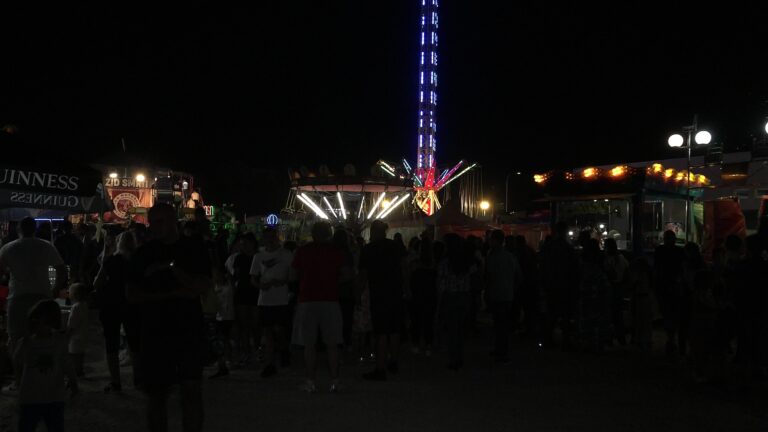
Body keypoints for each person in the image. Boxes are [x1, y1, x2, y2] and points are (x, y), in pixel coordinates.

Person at [126, 203, 211, 432]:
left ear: (173, 220)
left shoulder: (193, 248)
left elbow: (201, 286)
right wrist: (174, 293)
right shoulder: (144, 253)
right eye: (152, 222)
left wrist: (171, 268)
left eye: (160, 222)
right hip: (155, 331)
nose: (155, 227)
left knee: (191, 390)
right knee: (157, 394)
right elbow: (131, 294)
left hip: (187, 329)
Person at [0, 217, 67, 393]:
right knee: (44, 337)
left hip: (18, 298)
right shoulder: (46, 246)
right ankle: (44, 377)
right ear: (34, 229)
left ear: (19, 229)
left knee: (16, 340)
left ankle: (19, 381)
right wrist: (54, 289)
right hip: (42, 297)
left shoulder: (8, 248)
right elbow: (61, 270)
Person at [291, 221, 345, 393]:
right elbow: (346, 274)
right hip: (330, 299)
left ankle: (310, 381)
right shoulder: (335, 251)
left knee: (309, 344)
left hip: (308, 299)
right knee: (332, 343)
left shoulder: (303, 251)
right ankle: (335, 380)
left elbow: (293, 275)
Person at [14, 300, 78, 432]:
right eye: (34, 321)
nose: (37, 325)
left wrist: (73, 381)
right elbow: (17, 360)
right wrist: (24, 341)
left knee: (55, 427)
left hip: (54, 397)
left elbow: (66, 363)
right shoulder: (27, 342)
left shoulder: (59, 341)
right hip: (30, 397)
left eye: (41, 321)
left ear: (51, 322)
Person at [359, 221, 407, 380]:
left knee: (381, 331)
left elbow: (363, 274)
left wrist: (359, 292)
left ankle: (380, 368)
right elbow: (404, 267)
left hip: (378, 293)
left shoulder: (368, 249)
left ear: (373, 232)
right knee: (394, 329)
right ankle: (394, 361)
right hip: (395, 292)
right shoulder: (395, 247)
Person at [94, 230, 140, 392]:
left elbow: (97, 283)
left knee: (111, 343)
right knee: (135, 343)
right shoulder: (137, 261)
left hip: (111, 304)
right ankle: (138, 379)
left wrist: (105, 260)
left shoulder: (112, 261)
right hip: (132, 304)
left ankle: (116, 381)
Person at [250, 227, 293, 378]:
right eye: (267, 237)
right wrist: (260, 286)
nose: (269, 240)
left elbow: (293, 275)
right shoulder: (259, 256)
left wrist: (281, 281)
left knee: (279, 330)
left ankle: (283, 351)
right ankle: (270, 363)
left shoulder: (286, 254)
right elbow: (253, 277)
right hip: (265, 299)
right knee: (267, 331)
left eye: (272, 237)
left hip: (281, 299)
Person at [437, 234, 475, 370]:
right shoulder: (466, 261)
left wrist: (439, 301)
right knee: (460, 328)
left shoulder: (445, 263)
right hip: (464, 296)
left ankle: (454, 358)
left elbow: (441, 285)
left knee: (452, 329)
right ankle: (459, 356)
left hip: (451, 297)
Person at [539, 221, 579, 350]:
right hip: (564, 285)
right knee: (565, 314)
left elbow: (543, 265)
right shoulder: (567, 247)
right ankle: (565, 340)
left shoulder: (549, 246)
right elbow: (574, 267)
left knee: (552, 313)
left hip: (551, 284)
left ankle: (548, 339)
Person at [485, 230, 521, 363]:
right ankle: (501, 349)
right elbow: (519, 276)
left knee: (499, 324)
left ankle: (501, 350)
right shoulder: (510, 257)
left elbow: (488, 276)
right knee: (502, 323)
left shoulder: (492, 256)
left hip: (497, 293)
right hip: (507, 294)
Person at [653, 230, 685, 356]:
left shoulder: (660, 251)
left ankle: (670, 339)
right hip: (673, 286)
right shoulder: (679, 251)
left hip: (664, 286)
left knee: (667, 313)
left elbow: (656, 268)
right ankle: (672, 339)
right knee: (673, 313)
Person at [233, 233, 259, 365]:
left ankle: (256, 349)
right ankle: (247, 351)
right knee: (244, 325)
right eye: (242, 244)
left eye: (245, 243)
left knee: (256, 324)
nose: (243, 246)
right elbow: (236, 275)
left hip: (255, 291)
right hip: (243, 291)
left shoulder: (258, 256)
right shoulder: (239, 258)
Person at [408, 236, 437, 356]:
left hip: (418, 295)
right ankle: (428, 345)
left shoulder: (415, 264)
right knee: (428, 321)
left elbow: (410, 279)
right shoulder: (434, 264)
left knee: (417, 320)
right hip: (429, 295)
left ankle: (416, 344)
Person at [603, 238, 629, 346]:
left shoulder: (608, 259)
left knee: (609, 315)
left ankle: (609, 339)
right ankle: (621, 339)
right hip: (619, 287)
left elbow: (610, 274)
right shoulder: (622, 258)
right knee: (618, 315)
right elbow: (626, 271)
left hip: (611, 288)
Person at [210, 265, 235, 379]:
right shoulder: (214, 286)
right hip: (218, 316)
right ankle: (223, 361)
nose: (215, 276)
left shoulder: (228, 285)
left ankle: (229, 360)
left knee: (226, 339)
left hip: (228, 316)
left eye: (217, 273)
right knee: (221, 340)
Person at [629, 258, 654, 352]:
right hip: (646, 296)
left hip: (640, 296)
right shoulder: (648, 274)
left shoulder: (639, 274)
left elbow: (633, 283)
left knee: (639, 320)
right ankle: (646, 340)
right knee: (646, 321)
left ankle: (640, 340)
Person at [67, 283, 89, 377]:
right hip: (84, 334)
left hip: (75, 336)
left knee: (74, 355)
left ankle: (76, 372)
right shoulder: (84, 305)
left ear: (74, 295)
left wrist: (67, 334)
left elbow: (72, 323)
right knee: (80, 354)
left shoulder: (75, 307)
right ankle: (80, 370)